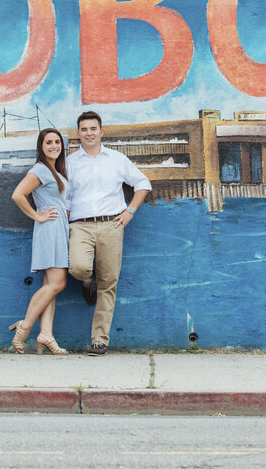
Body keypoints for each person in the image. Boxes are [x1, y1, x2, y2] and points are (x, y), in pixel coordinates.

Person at [67, 111, 152, 356]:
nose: (89, 133)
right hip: (80, 225)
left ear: (101, 132)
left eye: (93, 128)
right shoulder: (70, 163)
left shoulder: (116, 159)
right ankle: (87, 282)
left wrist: (130, 211)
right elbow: (64, 196)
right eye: (84, 129)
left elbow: (143, 183)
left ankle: (99, 340)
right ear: (78, 133)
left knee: (109, 283)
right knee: (79, 267)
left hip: (111, 225)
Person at [7, 128, 71, 355]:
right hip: (50, 228)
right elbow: (18, 195)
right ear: (41, 147)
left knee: (50, 286)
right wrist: (37, 215)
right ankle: (24, 327)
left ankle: (47, 334)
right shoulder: (41, 169)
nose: (54, 146)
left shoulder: (55, 171)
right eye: (49, 143)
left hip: (59, 229)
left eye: (57, 142)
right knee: (58, 283)